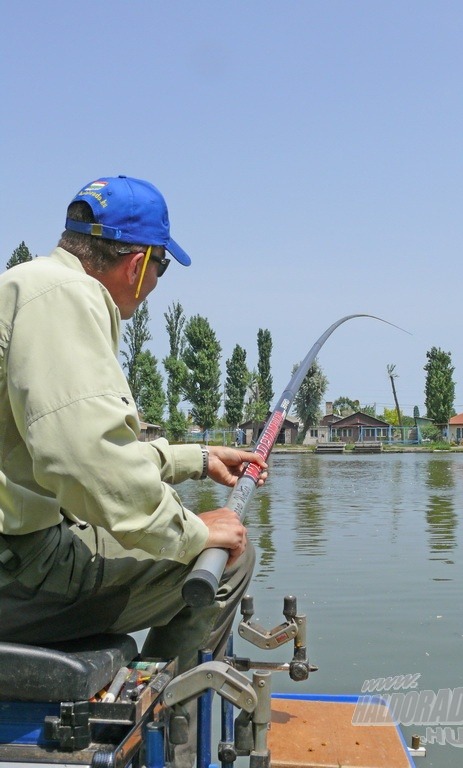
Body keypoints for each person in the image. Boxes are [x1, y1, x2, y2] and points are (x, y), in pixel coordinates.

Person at [0, 175, 267, 763]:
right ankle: (171, 733)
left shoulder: (22, 288)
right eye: (161, 271)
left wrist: (196, 459)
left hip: (18, 554)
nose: (152, 288)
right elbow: (86, 461)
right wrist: (193, 534)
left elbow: (74, 448)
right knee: (228, 559)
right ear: (138, 262)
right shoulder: (67, 298)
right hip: (19, 572)